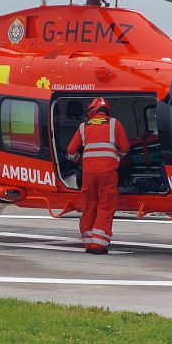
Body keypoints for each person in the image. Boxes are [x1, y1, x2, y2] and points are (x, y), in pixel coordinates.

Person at [66, 97, 129, 255]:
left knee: (89, 205)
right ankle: (99, 245)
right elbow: (125, 149)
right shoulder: (115, 124)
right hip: (107, 173)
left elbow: (70, 150)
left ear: (91, 111)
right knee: (105, 206)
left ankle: (88, 243)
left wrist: (79, 160)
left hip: (88, 173)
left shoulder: (83, 126)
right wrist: (118, 157)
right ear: (107, 110)